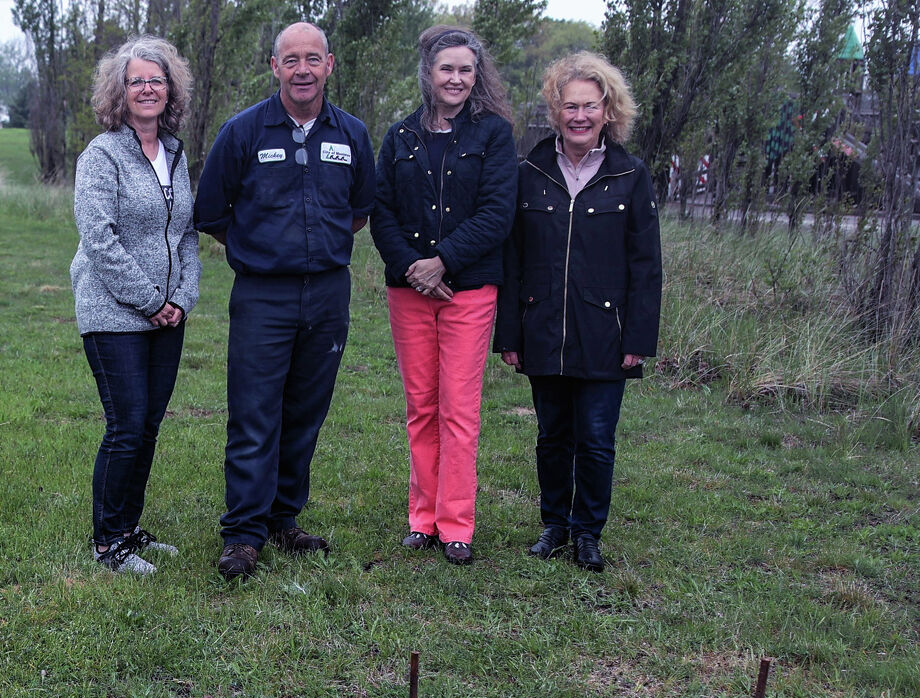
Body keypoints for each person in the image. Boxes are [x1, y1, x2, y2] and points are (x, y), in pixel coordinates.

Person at [194, 22, 376, 580]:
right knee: (254, 415)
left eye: (312, 59)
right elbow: (211, 212)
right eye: (291, 59)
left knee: (304, 413)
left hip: (327, 294)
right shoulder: (243, 131)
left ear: (329, 65)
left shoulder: (352, 134)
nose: (302, 70)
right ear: (275, 67)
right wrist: (260, 250)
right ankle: (243, 533)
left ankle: (282, 519)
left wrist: (315, 248)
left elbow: (360, 211)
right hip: (262, 296)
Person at [495, 51, 662, 573]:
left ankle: (588, 532)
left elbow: (647, 265)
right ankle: (554, 525)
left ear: (608, 111)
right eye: (570, 106)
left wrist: (639, 338)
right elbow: (512, 259)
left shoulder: (631, 175)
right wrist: (510, 333)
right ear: (555, 110)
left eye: (591, 106)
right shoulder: (528, 171)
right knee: (552, 437)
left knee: (595, 440)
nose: (580, 116)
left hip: (605, 333)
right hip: (543, 327)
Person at [370, 25, 517, 566]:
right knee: (421, 408)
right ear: (428, 74)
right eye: (446, 68)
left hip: (468, 291)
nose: (456, 78)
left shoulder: (493, 135)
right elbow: (381, 211)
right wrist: (412, 267)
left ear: (477, 76)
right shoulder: (400, 137)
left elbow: (497, 213)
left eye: (465, 70)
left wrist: (443, 261)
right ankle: (422, 518)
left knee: (459, 409)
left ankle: (456, 524)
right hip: (409, 290)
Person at [70, 36, 202, 575]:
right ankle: (108, 545)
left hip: (167, 315)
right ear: (119, 92)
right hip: (114, 313)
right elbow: (99, 239)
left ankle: (128, 528)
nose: (147, 88)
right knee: (125, 426)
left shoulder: (174, 152)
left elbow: (186, 232)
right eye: (136, 81)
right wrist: (150, 301)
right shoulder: (101, 155)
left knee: (147, 426)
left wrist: (181, 299)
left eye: (156, 80)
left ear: (170, 89)